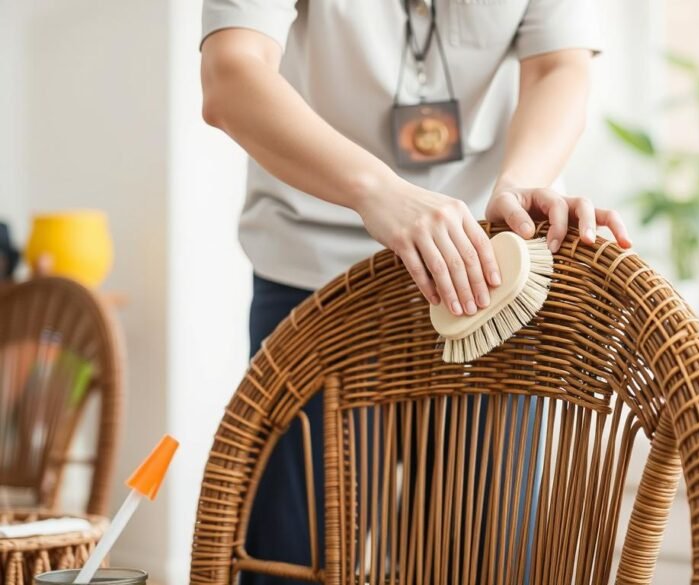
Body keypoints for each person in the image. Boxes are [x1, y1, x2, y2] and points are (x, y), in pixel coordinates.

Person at [200, 0, 631, 582]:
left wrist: (522, 184)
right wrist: (376, 191)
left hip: (487, 279)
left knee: (490, 565)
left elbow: (558, 66)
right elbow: (232, 73)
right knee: (290, 565)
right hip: (315, 280)